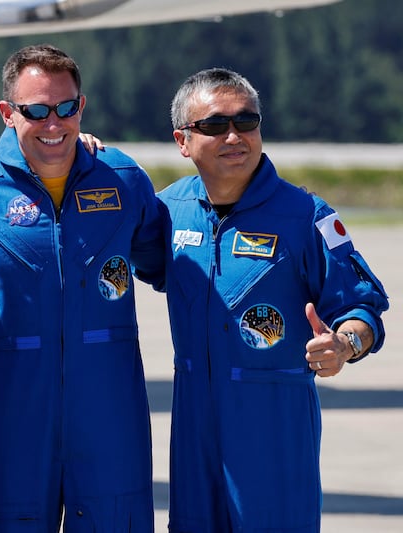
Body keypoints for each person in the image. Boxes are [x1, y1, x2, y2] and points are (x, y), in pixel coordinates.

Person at [0, 44, 165, 532]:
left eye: (65, 108)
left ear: (81, 107)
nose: (53, 123)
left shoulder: (122, 179)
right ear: (8, 113)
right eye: (36, 110)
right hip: (13, 413)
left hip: (109, 413)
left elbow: (181, 269)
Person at [157, 67, 389, 532]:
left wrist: (344, 345)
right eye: (215, 125)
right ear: (183, 141)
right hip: (193, 424)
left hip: (273, 426)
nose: (234, 136)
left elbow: (363, 308)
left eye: (247, 121)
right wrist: (88, 156)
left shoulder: (305, 216)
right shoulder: (164, 210)